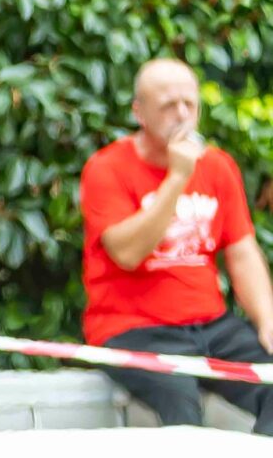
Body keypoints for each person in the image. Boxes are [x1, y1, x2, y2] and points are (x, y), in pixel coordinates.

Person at [80, 58, 273, 434]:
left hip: (212, 326)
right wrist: (178, 176)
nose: (182, 114)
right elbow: (127, 252)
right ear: (140, 112)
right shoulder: (107, 168)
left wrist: (267, 321)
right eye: (169, 105)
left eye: (190, 103)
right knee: (180, 400)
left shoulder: (218, 166)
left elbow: (241, 251)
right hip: (133, 329)